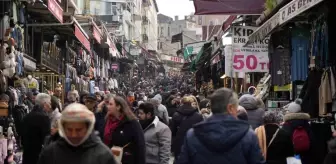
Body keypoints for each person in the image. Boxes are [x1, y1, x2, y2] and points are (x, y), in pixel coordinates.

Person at [176, 88, 265, 164]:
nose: (237, 110)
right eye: (236, 107)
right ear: (230, 108)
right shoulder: (248, 135)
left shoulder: (192, 135)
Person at [37, 103, 116, 164]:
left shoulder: (103, 155)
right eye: (69, 130)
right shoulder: (50, 153)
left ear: (88, 128)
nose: (73, 135)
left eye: (78, 130)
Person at [268, 99, 318, 164]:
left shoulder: (286, 126)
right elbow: (313, 143)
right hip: (306, 158)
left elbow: (282, 145)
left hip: (291, 159)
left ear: (290, 112)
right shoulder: (307, 125)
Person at [104, 95, 146, 164]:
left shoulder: (132, 123)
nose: (107, 106)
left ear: (118, 107)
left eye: (110, 104)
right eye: (108, 104)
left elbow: (140, 147)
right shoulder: (107, 121)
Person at [22, 93, 52, 164]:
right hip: (39, 156)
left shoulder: (27, 116)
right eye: (49, 103)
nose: (50, 106)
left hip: (27, 155)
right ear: (45, 104)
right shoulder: (44, 118)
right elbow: (46, 140)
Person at [171, 96, 203, 161]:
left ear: (182, 103)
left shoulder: (176, 115)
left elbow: (173, 132)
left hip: (179, 143)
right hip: (194, 144)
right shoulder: (198, 116)